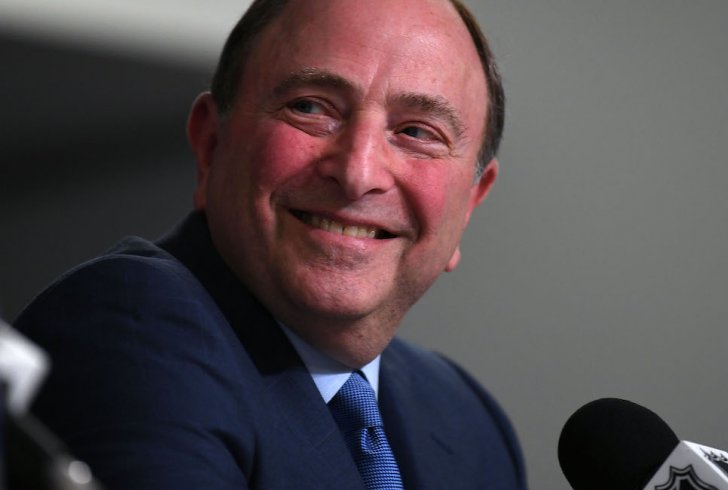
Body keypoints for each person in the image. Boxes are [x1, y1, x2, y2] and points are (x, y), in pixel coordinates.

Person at [14, 0, 526, 488]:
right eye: (310, 107)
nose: (358, 172)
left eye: (417, 132)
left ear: (470, 207)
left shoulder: (469, 423)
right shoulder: (129, 327)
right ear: (211, 146)